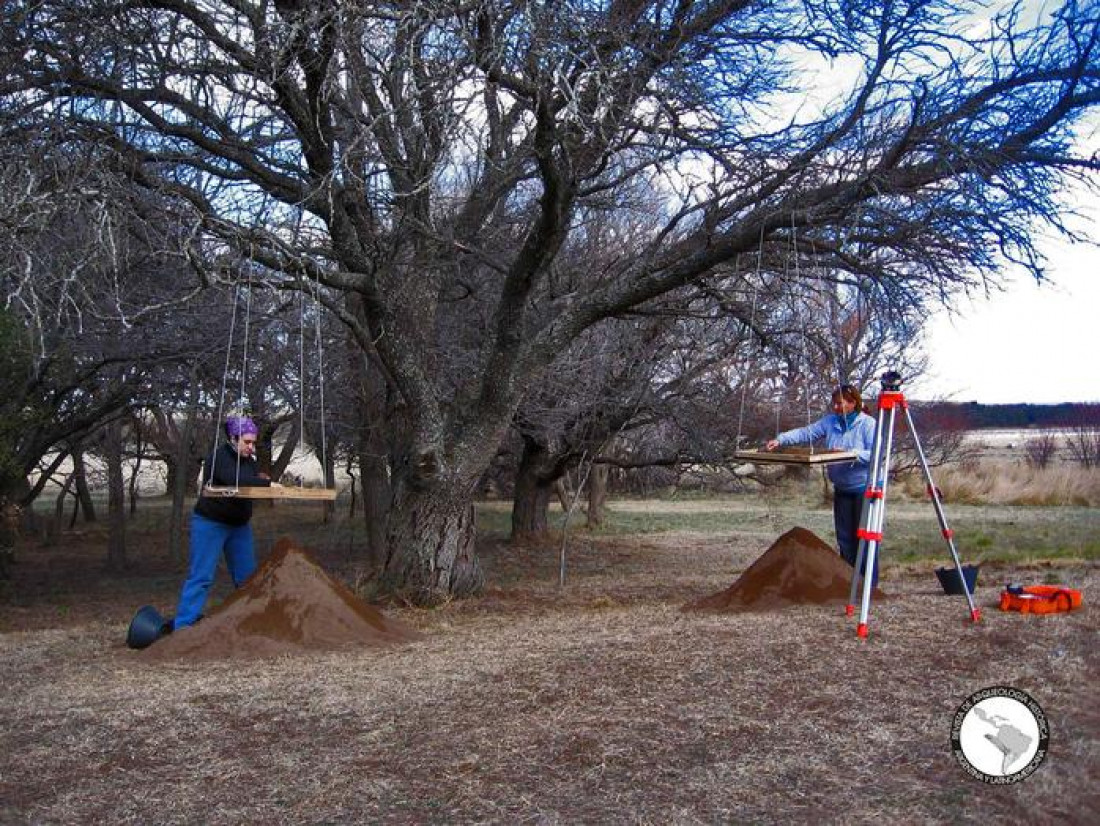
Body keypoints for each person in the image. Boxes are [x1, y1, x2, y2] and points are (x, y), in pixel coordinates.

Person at [172, 415, 280, 629]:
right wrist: (266, 482)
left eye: (253, 442)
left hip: (239, 526)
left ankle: (251, 621)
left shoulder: (249, 461)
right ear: (233, 438)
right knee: (201, 575)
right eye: (247, 442)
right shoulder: (219, 457)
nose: (251, 447)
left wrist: (263, 481)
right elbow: (235, 479)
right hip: (210, 523)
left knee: (247, 577)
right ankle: (183, 626)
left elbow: (253, 480)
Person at [765, 384, 879, 584]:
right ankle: (849, 580)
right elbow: (806, 433)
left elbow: (879, 454)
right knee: (845, 538)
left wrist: (850, 454)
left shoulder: (868, 424)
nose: (835, 407)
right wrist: (780, 439)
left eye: (840, 403)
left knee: (865, 538)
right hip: (842, 487)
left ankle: (869, 584)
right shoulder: (830, 422)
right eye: (834, 403)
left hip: (865, 488)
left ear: (853, 403)